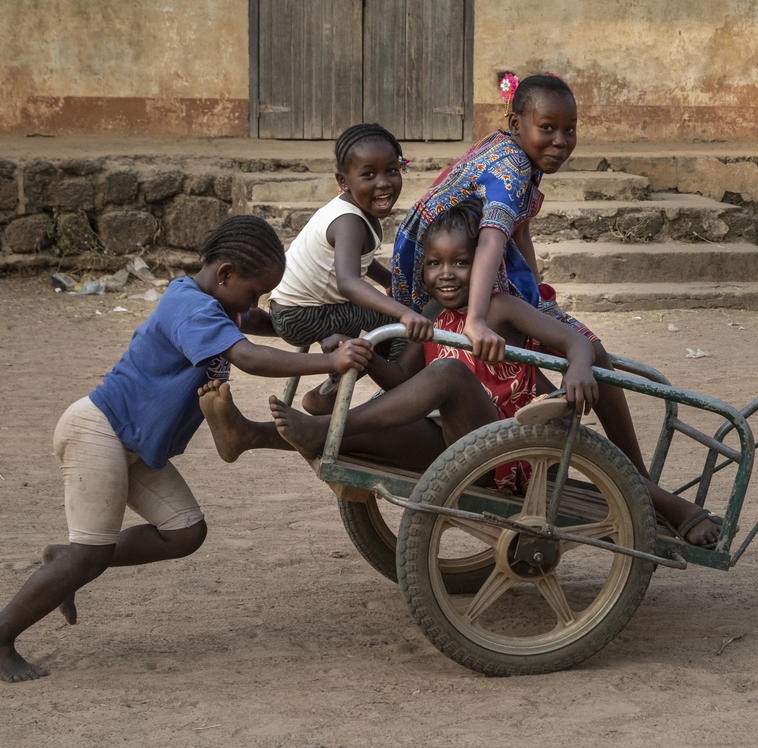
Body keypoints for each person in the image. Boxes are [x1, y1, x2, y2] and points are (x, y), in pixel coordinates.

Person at [200, 201, 725, 547]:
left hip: (513, 452)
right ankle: (251, 435)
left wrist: (581, 367)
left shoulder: (499, 308)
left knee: (450, 373)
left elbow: (576, 342)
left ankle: (319, 428)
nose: (445, 275)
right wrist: (364, 356)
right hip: (456, 444)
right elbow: (405, 385)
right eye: (434, 264)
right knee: (384, 420)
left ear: (485, 266)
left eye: (460, 263)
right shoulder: (429, 311)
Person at [0, 215, 372, 683]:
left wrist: (317, 331)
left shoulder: (216, 302)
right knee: (88, 554)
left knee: (184, 533)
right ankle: (4, 636)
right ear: (226, 273)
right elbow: (248, 356)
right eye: (254, 292)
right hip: (99, 432)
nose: (254, 303)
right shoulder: (191, 308)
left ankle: (67, 561)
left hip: (134, 444)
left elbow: (262, 324)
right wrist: (330, 360)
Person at [392, 73, 721, 546]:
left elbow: (518, 230)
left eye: (569, 130)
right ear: (517, 124)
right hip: (452, 274)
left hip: (455, 270)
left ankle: (639, 488)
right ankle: (642, 488)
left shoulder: (515, 155)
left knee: (560, 368)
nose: (561, 141)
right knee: (591, 356)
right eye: (547, 128)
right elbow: (492, 239)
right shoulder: (511, 168)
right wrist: (478, 319)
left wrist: (538, 297)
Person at [268, 122, 433, 413]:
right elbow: (348, 283)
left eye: (392, 171)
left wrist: (388, 280)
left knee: (387, 322)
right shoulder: (349, 221)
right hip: (303, 315)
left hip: (296, 309)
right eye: (369, 175)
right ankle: (395, 394)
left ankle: (329, 392)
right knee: (399, 330)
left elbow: (359, 260)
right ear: (343, 181)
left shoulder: (352, 211)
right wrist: (404, 312)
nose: (383, 183)